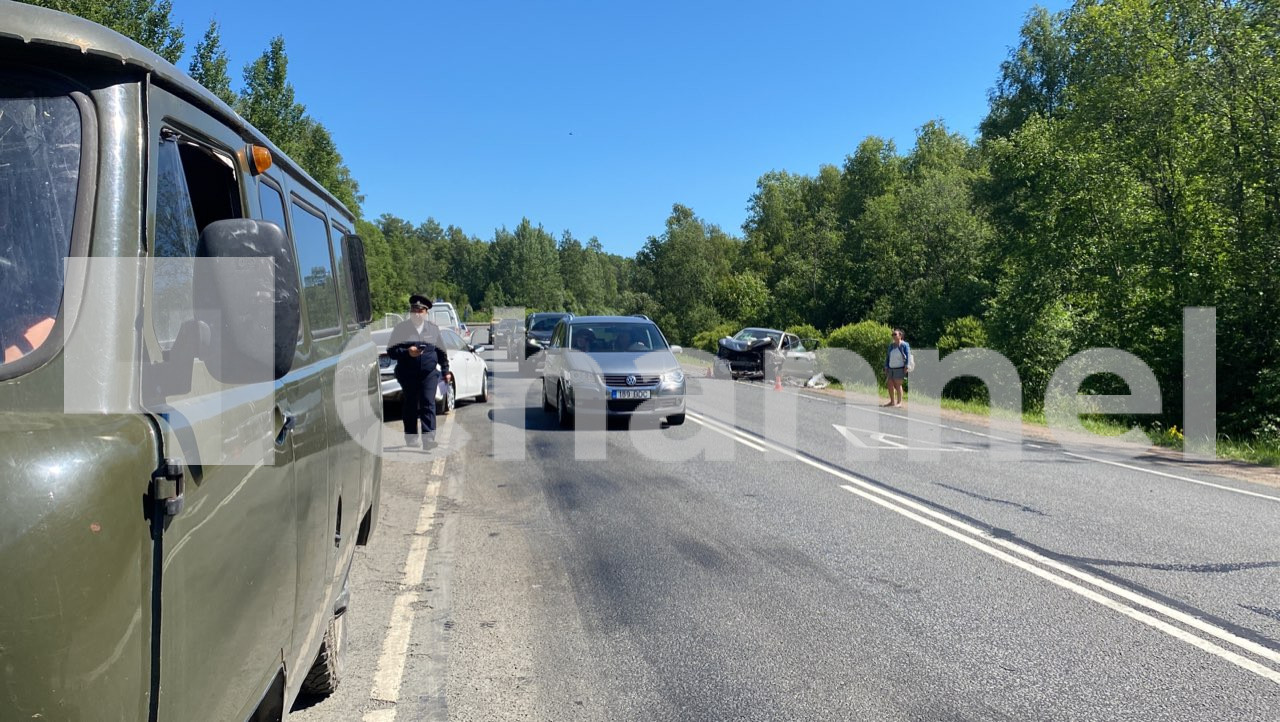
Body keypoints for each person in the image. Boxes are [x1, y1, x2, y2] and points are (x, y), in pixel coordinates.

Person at [387, 294, 450, 449]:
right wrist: (407, 352)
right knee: (410, 405)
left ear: (426, 312)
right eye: (414, 309)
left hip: (428, 374)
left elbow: (441, 352)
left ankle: (428, 440)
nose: (416, 313)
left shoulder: (433, 329)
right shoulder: (401, 329)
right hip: (408, 373)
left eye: (420, 310)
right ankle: (411, 437)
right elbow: (391, 351)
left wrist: (445, 370)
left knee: (428, 403)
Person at [884, 327, 910, 408]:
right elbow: (888, 357)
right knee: (890, 384)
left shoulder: (904, 345)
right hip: (891, 368)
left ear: (900, 335)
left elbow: (908, 355)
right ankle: (892, 402)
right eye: (893, 334)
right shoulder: (891, 346)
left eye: (895, 334)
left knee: (898, 385)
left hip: (900, 368)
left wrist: (906, 366)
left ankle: (899, 402)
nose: (893, 336)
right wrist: (886, 366)